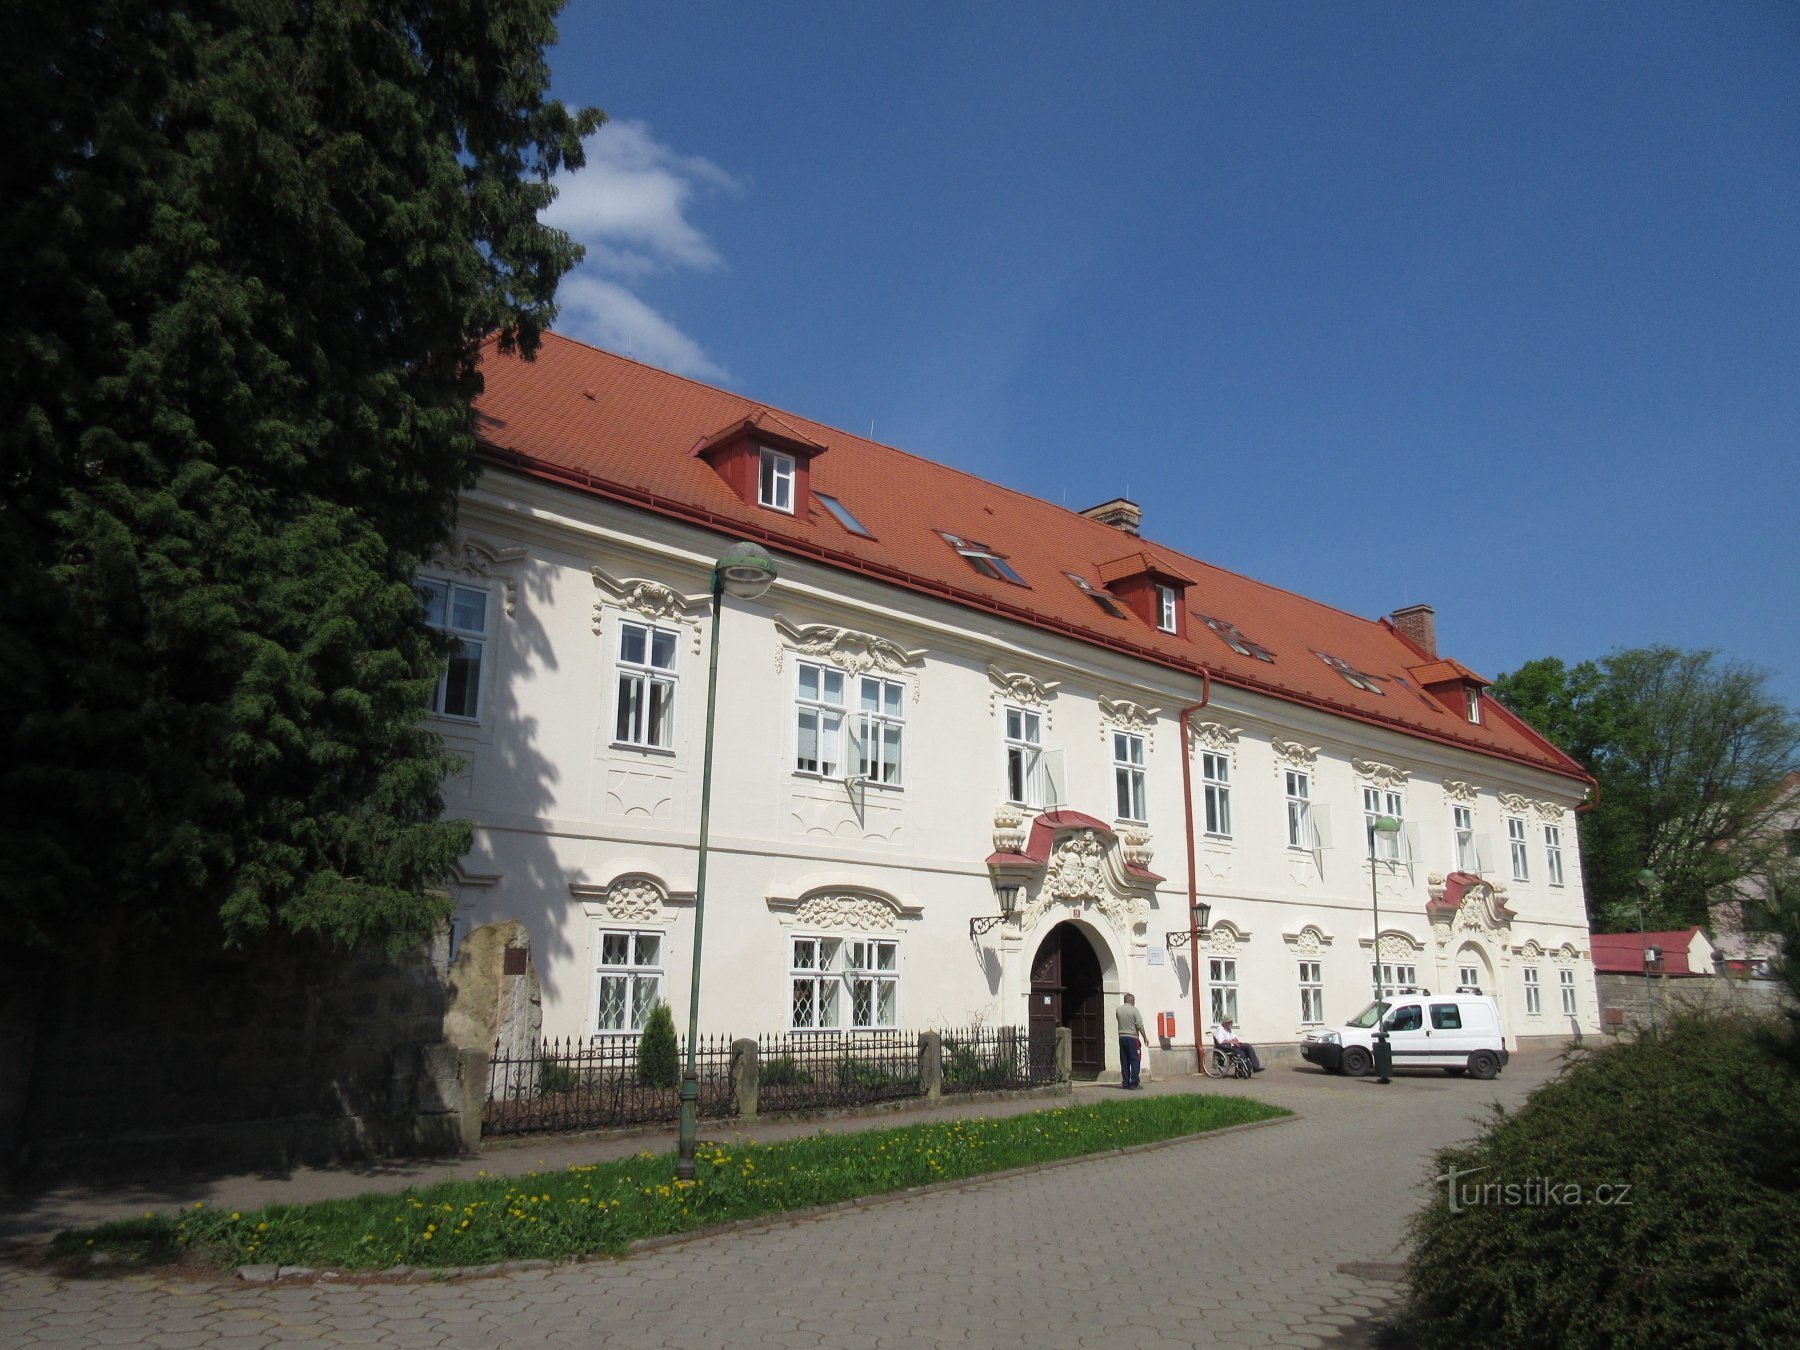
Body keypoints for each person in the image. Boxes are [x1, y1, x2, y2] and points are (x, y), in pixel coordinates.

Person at [1116, 993, 1149, 1089]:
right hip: (1132, 1038)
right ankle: (1134, 1082)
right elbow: (1140, 1026)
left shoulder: (1118, 1010)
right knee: (1135, 1060)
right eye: (1134, 1001)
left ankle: (1125, 1083)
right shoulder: (1134, 1011)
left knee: (1124, 1060)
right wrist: (1145, 1037)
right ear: (1132, 1001)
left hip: (1122, 1037)